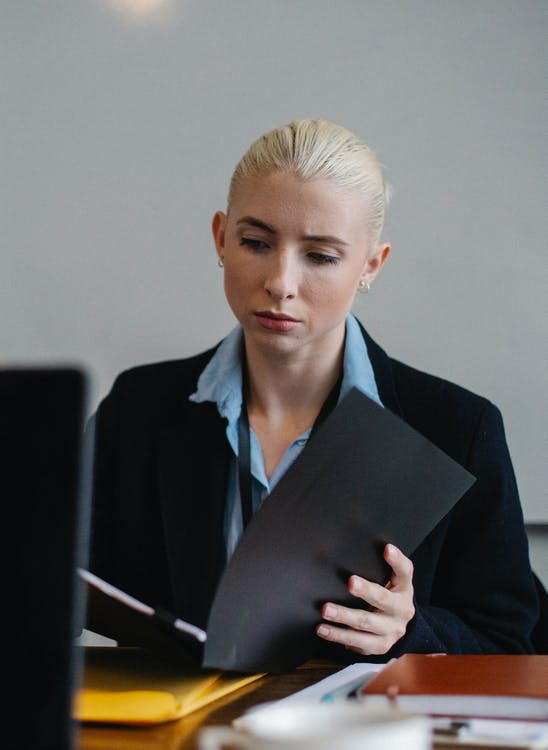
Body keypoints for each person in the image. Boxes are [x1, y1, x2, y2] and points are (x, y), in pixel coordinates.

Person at [87, 118, 539, 660]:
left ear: (371, 265)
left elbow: (510, 641)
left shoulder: (457, 428)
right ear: (220, 239)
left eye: (321, 257)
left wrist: (410, 631)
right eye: (255, 242)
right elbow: (54, 587)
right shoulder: (138, 407)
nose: (280, 283)